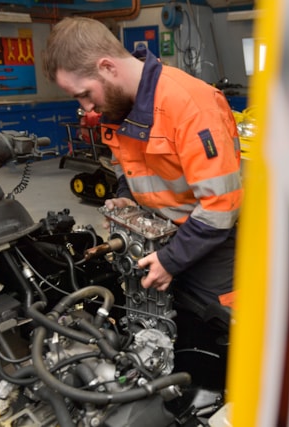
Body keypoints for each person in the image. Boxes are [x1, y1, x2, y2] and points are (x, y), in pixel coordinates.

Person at [42, 17, 242, 328]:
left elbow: (220, 207)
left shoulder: (190, 105)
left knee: (221, 336)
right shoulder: (118, 110)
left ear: (108, 67)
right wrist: (127, 198)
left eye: (85, 94)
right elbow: (126, 168)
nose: (87, 109)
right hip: (157, 242)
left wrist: (170, 260)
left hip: (210, 247)